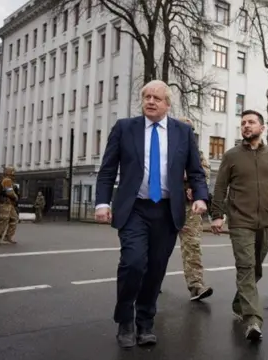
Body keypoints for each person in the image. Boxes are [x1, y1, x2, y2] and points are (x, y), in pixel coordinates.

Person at [94, 80, 209, 349]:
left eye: (157, 97)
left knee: (155, 270)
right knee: (133, 263)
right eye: (146, 96)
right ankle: (125, 320)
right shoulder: (125, 128)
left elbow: (196, 171)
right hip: (135, 208)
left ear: (167, 104)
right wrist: (102, 202)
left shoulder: (183, 132)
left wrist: (201, 197)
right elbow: (108, 169)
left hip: (167, 211)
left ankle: (145, 322)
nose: (151, 101)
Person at [210, 109, 268, 341]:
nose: (246, 126)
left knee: (256, 267)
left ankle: (239, 303)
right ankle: (253, 320)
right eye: (243, 123)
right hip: (240, 221)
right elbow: (220, 188)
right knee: (246, 266)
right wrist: (217, 214)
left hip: (265, 221)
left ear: (262, 127)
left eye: (251, 122)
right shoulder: (232, 156)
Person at [177, 117, 213, 301]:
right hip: (164, 205)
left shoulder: (196, 153)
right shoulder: (164, 149)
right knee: (156, 247)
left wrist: (193, 184)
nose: (187, 133)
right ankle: (150, 281)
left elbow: (204, 172)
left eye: (190, 130)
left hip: (189, 207)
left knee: (192, 245)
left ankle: (196, 286)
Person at [0, 166, 19, 245]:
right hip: (5, 203)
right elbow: (9, 192)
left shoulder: (7, 180)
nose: (14, 174)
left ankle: (8, 237)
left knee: (14, 218)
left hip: (9, 203)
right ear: (9, 172)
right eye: (13, 172)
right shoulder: (7, 180)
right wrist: (16, 196)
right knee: (4, 219)